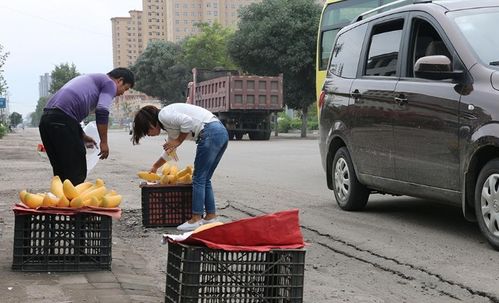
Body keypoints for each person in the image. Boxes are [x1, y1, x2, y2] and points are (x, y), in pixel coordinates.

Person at [132, 103, 229, 231]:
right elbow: (169, 152)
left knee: (198, 179)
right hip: (220, 132)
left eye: (146, 131)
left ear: (150, 123)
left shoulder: (164, 115)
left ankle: (196, 219)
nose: (148, 135)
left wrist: (178, 141)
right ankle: (210, 216)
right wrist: (155, 166)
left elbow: (187, 122)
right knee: (205, 179)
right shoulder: (169, 126)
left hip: (210, 133)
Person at [39, 67, 135, 185]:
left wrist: (82, 135)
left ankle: (63, 200)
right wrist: (104, 142)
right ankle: (74, 201)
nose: (121, 93)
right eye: (124, 89)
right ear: (120, 81)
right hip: (62, 121)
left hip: (46, 120)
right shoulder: (109, 83)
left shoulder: (94, 79)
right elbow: (102, 110)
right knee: (76, 169)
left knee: (61, 170)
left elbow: (64, 112)